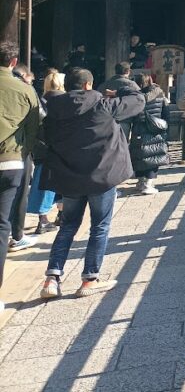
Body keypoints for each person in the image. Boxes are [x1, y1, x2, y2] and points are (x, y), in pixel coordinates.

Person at [39, 67, 143, 299]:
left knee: (68, 225)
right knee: (100, 226)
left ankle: (51, 278)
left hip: (69, 175)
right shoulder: (102, 105)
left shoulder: (53, 108)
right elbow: (138, 100)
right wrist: (118, 91)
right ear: (88, 85)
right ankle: (89, 279)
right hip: (101, 175)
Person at [0, 43, 41, 308]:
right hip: (12, 161)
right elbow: (36, 127)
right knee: (1, 224)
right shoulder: (25, 90)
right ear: (14, 62)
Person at [25, 70, 63, 234]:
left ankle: (43, 219)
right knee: (63, 184)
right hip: (62, 148)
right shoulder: (66, 101)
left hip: (42, 148)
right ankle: (62, 214)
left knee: (44, 186)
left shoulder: (39, 101)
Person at [128, 73, 169, 195]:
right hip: (155, 130)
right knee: (154, 156)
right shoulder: (160, 93)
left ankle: (140, 182)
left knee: (139, 155)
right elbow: (166, 113)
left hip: (139, 129)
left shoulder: (135, 96)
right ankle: (149, 184)